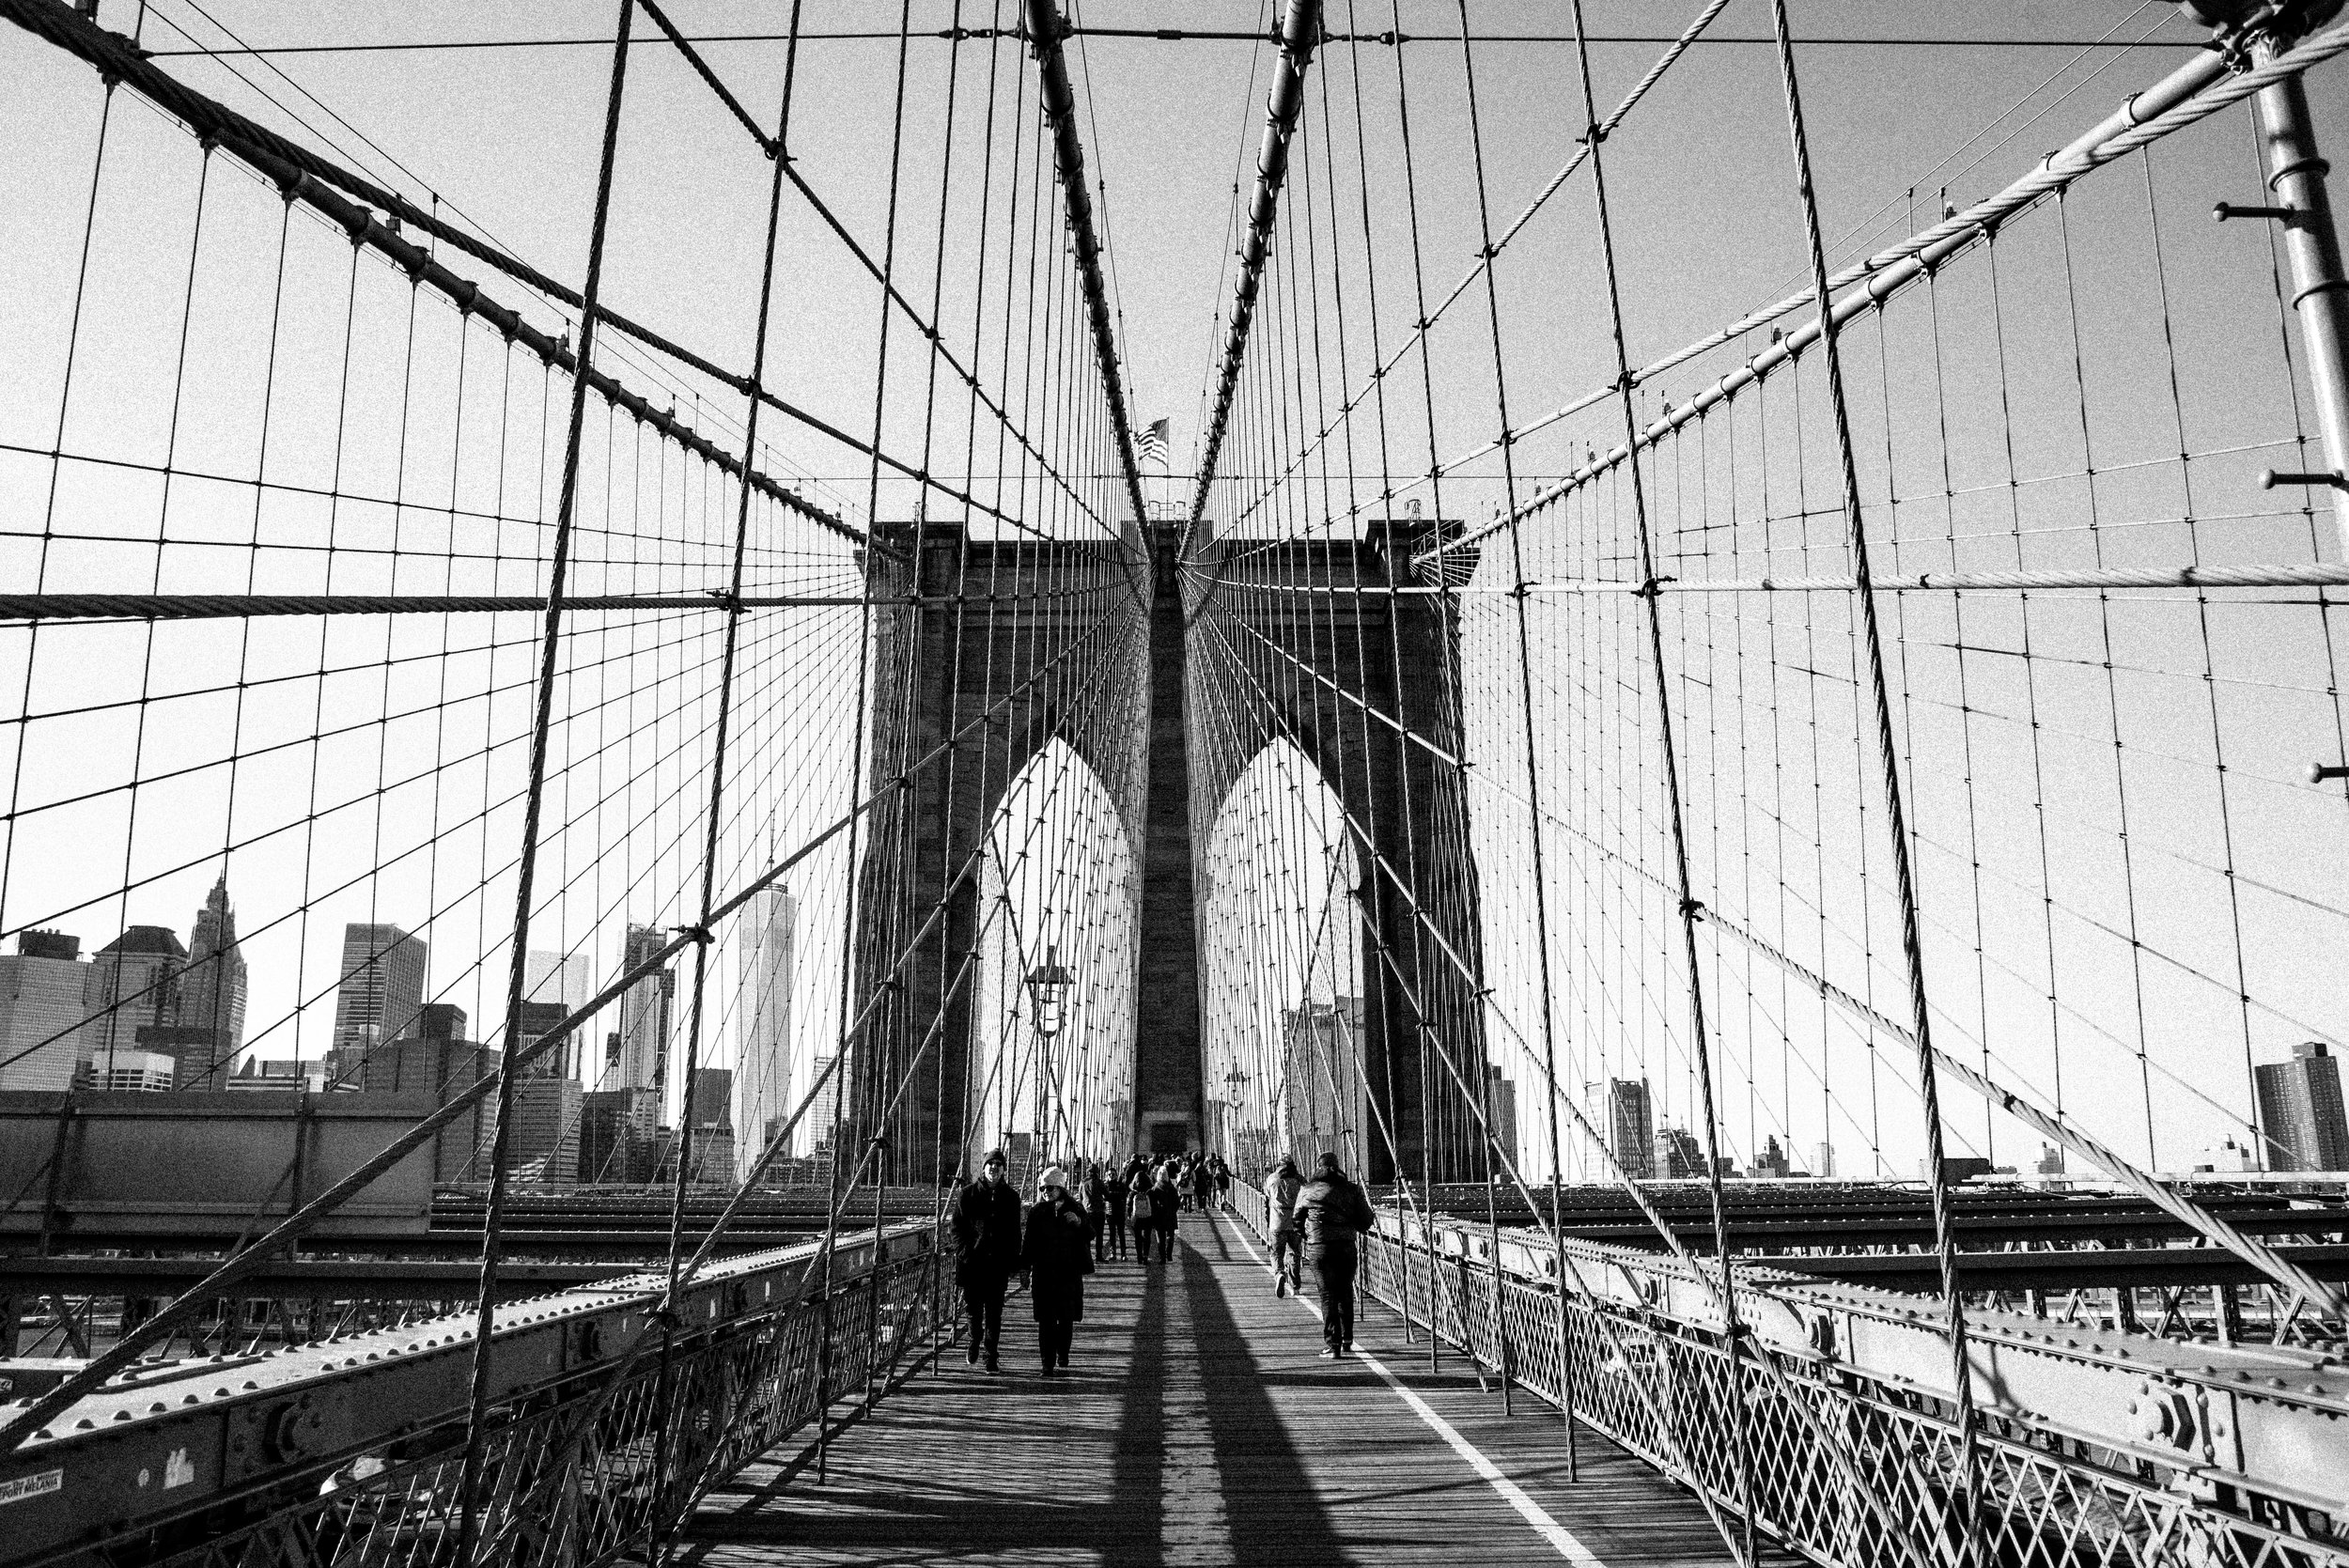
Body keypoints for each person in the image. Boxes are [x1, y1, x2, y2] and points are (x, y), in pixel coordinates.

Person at [1294, 1151, 1376, 1357]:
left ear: (1317, 1167)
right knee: (1345, 1292)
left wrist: (1307, 1235)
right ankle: (1347, 1339)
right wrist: (1348, 1225)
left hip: (1319, 1247)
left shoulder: (1307, 1189)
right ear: (1338, 1167)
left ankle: (1333, 1345)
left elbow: (1296, 1219)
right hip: (1346, 1246)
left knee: (1328, 1294)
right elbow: (1366, 1221)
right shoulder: (1352, 1189)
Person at [951, 1147, 1024, 1371]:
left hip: (997, 1265)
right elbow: (955, 1229)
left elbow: (1015, 1233)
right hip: (972, 1265)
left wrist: (1014, 1263)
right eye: (990, 1165)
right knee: (973, 1310)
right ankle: (974, 1340)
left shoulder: (1011, 1198)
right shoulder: (967, 1194)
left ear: (1003, 1170)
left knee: (994, 1313)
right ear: (983, 1168)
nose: (994, 1169)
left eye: (998, 1166)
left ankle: (990, 1356)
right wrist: (966, 1253)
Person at [1023, 1166, 1094, 1374]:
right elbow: (1029, 1242)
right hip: (1044, 1273)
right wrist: (1024, 1269)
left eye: (1050, 1188)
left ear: (1061, 1187)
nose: (1046, 1192)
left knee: (1065, 1319)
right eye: (1043, 1188)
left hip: (1068, 1274)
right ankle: (1047, 1362)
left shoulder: (1076, 1208)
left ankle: (1063, 1352)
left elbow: (1091, 1233)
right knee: (1046, 1321)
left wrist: (1079, 1223)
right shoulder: (1037, 1211)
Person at [1265, 1154, 1305, 1296]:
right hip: (1295, 1223)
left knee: (1277, 1253)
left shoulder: (1272, 1178)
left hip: (1277, 1223)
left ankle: (1279, 1274)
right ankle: (1295, 1287)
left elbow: (1267, 1195)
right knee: (1295, 1253)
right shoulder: (1299, 1180)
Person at [1151, 1163, 1181, 1262]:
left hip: (1159, 1216)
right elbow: (1177, 1202)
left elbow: (1152, 1204)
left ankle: (1162, 1257)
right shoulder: (1172, 1188)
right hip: (1170, 1215)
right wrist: (1172, 1211)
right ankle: (1169, 1255)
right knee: (1170, 1235)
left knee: (1160, 1237)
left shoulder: (1155, 1189)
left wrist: (1154, 1212)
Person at [1081, 1163, 1111, 1263]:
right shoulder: (1099, 1182)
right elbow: (1107, 1195)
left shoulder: (1083, 1182)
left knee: (1087, 1236)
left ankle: (1087, 1257)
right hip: (1098, 1212)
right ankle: (1099, 1256)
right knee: (1099, 1236)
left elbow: (1081, 1198)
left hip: (1087, 1212)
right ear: (1097, 1173)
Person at [1128, 1167, 1158, 1261]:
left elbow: (1129, 1206)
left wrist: (1130, 1216)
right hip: (1148, 1217)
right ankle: (1145, 1255)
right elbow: (1154, 1205)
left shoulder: (1133, 1193)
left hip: (1136, 1217)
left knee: (1138, 1238)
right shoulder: (1150, 1192)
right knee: (1147, 1236)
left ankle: (1139, 1256)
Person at [1104, 1158, 1131, 1259]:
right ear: (1107, 1175)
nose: (1111, 1176)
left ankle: (1124, 1254)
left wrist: (1110, 1195)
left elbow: (1123, 1196)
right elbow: (1105, 1197)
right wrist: (1113, 1195)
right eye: (1109, 1174)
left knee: (1121, 1233)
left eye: (1113, 1174)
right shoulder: (1105, 1185)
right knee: (1112, 1235)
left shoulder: (1121, 1185)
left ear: (1116, 1175)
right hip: (1109, 1212)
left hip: (1119, 1212)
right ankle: (1113, 1253)